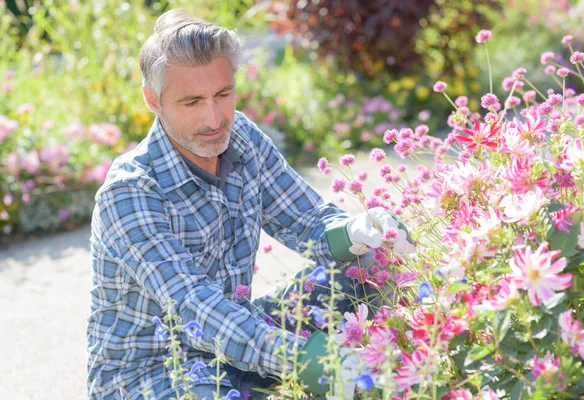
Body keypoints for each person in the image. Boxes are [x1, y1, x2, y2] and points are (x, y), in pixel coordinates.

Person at [86, 9, 414, 400]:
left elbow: (307, 220)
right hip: (156, 372)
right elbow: (198, 310)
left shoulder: (240, 136)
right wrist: (308, 362)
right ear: (153, 101)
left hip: (243, 335)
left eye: (223, 94)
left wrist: (357, 233)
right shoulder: (130, 192)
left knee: (372, 265)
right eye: (192, 102)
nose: (214, 119)